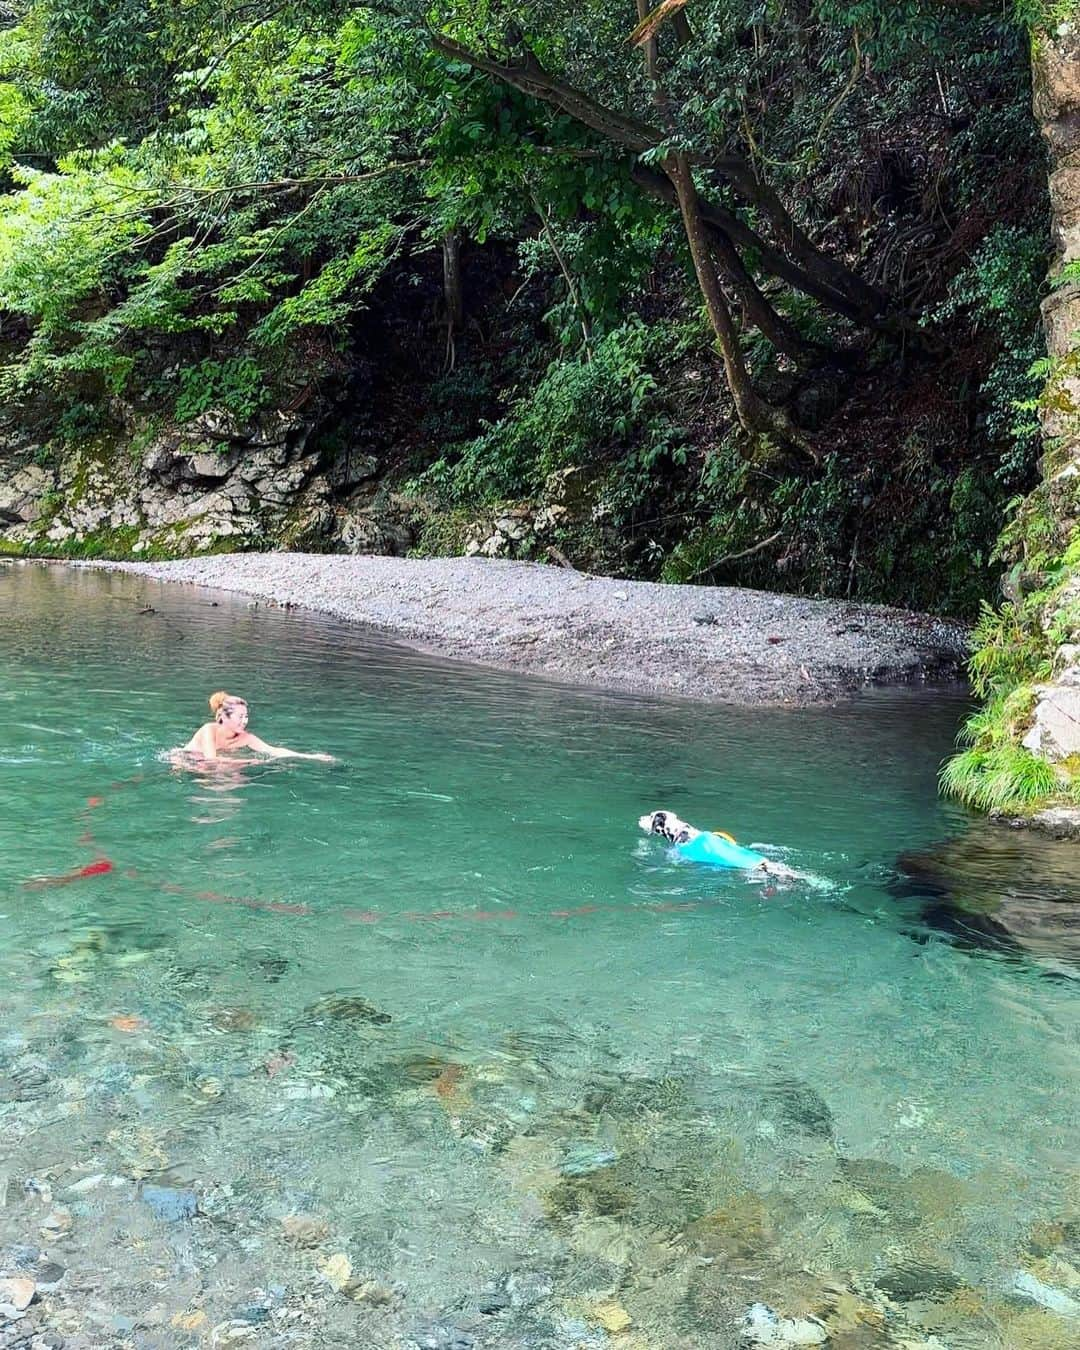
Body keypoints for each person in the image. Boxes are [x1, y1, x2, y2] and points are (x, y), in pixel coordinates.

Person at [182, 691, 334, 762]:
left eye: (246, 716)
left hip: (208, 765)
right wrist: (247, 762)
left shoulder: (245, 738)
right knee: (217, 768)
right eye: (240, 717)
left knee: (234, 773)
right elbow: (210, 759)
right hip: (186, 761)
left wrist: (310, 757)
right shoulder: (209, 729)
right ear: (224, 717)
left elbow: (274, 750)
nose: (245, 721)